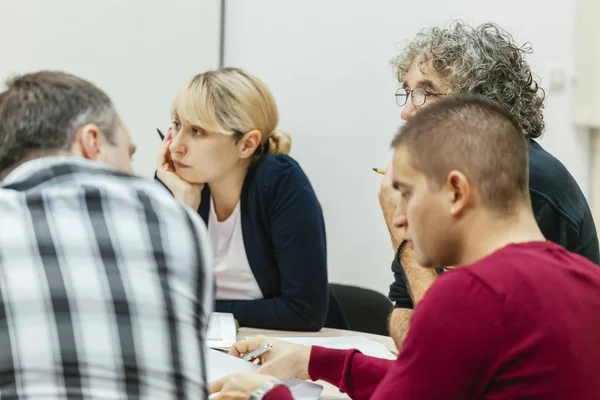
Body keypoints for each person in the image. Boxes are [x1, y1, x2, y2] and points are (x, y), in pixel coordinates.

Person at [209, 96, 600, 400]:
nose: (398, 219)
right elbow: (432, 383)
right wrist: (313, 361)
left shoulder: (472, 295)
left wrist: (265, 393)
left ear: (456, 191)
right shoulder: (588, 281)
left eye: (406, 194)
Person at [384, 21, 599, 349]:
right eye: (407, 91)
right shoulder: (440, 180)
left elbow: (456, 348)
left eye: (424, 93)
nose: (406, 111)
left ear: (477, 102)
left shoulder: (528, 183)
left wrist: (404, 239)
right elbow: (405, 312)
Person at [0, 71, 214, 399]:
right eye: (129, 155)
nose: (132, 171)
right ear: (92, 143)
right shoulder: (175, 222)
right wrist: (182, 210)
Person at [155, 67, 344, 331]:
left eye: (197, 131)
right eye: (177, 125)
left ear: (246, 144)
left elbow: (303, 312)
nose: (176, 146)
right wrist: (184, 212)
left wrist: (200, 310)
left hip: (293, 352)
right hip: (211, 349)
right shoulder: (176, 185)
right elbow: (153, 298)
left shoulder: (279, 181)